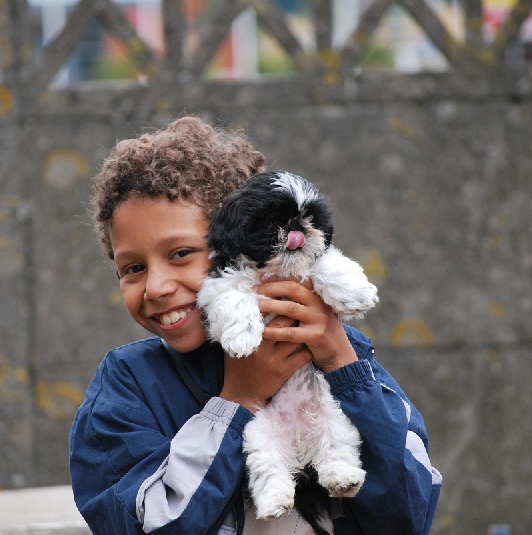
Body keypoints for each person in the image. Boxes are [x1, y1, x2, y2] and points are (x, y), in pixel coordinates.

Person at [69, 116, 442, 534]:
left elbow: (409, 516)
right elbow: (143, 524)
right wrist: (237, 402)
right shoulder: (127, 385)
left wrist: (343, 365)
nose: (155, 287)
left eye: (181, 254)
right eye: (133, 268)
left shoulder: (336, 349)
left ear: (242, 241)